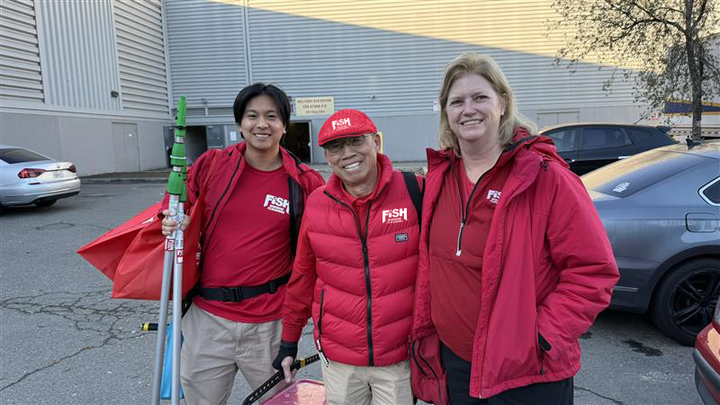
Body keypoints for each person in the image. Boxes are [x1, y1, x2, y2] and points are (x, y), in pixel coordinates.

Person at [410, 52, 619, 405]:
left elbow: (594, 272)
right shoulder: (438, 179)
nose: (468, 109)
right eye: (457, 101)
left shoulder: (545, 177)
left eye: (480, 97)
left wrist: (541, 338)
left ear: (503, 103)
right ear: (445, 111)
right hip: (457, 366)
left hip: (526, 372)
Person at [160, 83, 325, 404]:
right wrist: (170, 218)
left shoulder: (304, 182)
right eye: (252, 116)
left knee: (279, 401)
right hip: (207, 320)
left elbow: (321, 247)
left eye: (271, 116)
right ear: (240, 123)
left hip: (269, 324)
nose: (261, 124)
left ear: (284, 125)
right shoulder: (212, 165)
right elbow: (176, 202)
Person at [273, 109, 422, 405]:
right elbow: (303, 277)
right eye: (336, 147)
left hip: (399, 358)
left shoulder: (415, 190)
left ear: (376, 142)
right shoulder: (317, 204)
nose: (347, 154)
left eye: (356, 141)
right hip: (339, 360)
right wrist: (289, 342)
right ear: (327, 157)